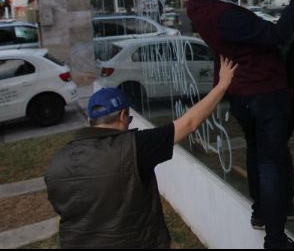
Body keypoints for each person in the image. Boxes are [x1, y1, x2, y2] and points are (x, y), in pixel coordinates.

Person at [181, 0, 294, 249]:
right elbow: (278, 35)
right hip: (263, 92)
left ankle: (262, 212)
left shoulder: (198, 0)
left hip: (241, 91)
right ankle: (275, 239)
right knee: (272, 162)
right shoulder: (223, 16)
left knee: (259, 152)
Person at [44, 58, 238, 249]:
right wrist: (222, 85)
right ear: (122, 116)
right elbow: (189, 123)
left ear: (91, 120)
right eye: (128, 119)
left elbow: (64, 207)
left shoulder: (57, 160)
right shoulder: (135, 147)